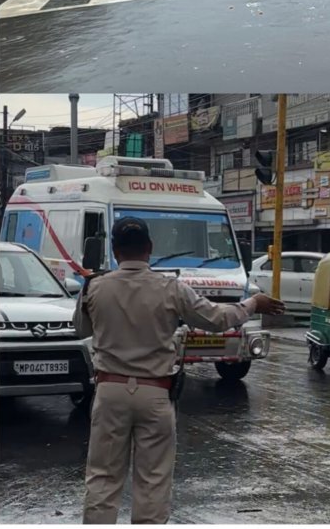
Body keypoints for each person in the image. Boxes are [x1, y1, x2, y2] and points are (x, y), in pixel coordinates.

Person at [73, 216, 285, 524]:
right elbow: (217, 319)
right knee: (153, 481)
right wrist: (253, 303)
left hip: (110, 392)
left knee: (103, 477)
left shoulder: (95, 287)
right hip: (155, 393)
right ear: (150, 248)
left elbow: (80, 328)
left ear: (115, 251)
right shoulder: (170, 288)